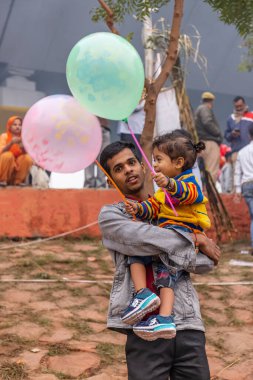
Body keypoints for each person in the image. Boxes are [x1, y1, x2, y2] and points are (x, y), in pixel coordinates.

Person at [98, 140, 220, 380]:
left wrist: (183, 240)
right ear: (110, 179)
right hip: (143, 329)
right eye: (118, 169)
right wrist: (195, 239)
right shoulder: (112, 216)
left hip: (187, 324)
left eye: (131, 162)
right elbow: (141, 236)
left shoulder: (175, 206)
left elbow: (207, 263)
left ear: (144, 166)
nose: (128, 170)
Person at [122, 132, 210, 341]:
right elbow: (154, 207)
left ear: (179, 162)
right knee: (137, 254)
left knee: (165, 274)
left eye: (159, 160)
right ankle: (143, 294)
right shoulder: (162, 190)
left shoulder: (188, 181)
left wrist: (169, 184)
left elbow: (190, 194)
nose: (155, 165)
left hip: (179, 235)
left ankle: (164, 317)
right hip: (164, 233)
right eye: (154, 160)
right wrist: (138, 208)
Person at [225, 96, 253, 188]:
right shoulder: (231, 118)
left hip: (250, 150)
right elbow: (226, 136)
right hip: (236, 151)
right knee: (236, 173)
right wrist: (232, 134)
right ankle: (235, 194)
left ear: (244, 104)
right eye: (237, 106)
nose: (239, 108)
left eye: (241, 106)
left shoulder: (251, 115)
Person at [194, 91, 223, 183]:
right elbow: (207, 122)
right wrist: (218, 132)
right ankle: (209, 192)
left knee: (200, 169)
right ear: (211, 101)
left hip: (202, 142)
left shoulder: (199, 109)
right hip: (209, 142)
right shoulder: (204, 108)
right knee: (212, 169)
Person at [234, 124, 253, 253]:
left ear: (249, 135)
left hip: (246, 185)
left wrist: (237, 191)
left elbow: (237, 172)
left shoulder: (242, 152)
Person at [0, 116, 33, 187]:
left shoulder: (24, 138)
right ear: (9, 126)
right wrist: (11, 143)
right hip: (5, 170)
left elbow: (29, 154)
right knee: (7, 155)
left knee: (27, 158)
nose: (17, 127)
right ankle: (3, 180)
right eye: (15, 125)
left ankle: (18, 181)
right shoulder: (4, 136)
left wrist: (23, 148)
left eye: (20, 125)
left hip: (16, 170)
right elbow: (1, 151)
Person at [84, 117, 110, 188]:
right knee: (89, 157)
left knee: (103, 157)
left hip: (104, 127)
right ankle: (89, 184)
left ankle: (101, 184)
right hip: (89, 127)